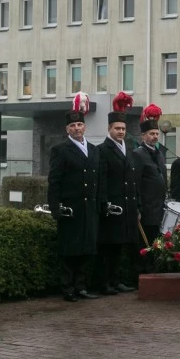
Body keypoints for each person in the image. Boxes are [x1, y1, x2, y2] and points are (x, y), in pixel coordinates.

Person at [47, 92, 100, 302]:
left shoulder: (94, 151)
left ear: (85, 127)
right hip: (71, 209)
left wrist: (100, 204)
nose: (77, 128)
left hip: (90, 209)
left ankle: (81, 286)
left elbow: (99, 180)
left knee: (86, 249)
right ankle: (68, 287)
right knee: (70, 251)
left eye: (79, 125)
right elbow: (54, 181)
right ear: (67, 129)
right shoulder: (60, 150)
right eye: (72, 126)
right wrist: (55, 207)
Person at [96, 92, 139, 295]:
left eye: (123, 129)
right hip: (112, 207)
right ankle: (104, 283)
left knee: (120, 246)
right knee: (108, 248)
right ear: (109, 129)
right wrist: (104, 204)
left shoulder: (127, 149)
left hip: (127, 205)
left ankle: (116, 280)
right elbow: (101, 180)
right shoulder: (102, 150)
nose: (121, 132)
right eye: (117, 128)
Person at [132, 103, 167, 252]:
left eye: (156, 134)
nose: (154, 137)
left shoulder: (159, 154)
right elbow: (136, 183)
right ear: (143, 136)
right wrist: (138, 208)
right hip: (146, 211)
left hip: (159, 210)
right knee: (145, 248)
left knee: (157, 248)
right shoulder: (138, 154)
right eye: (151, 134)